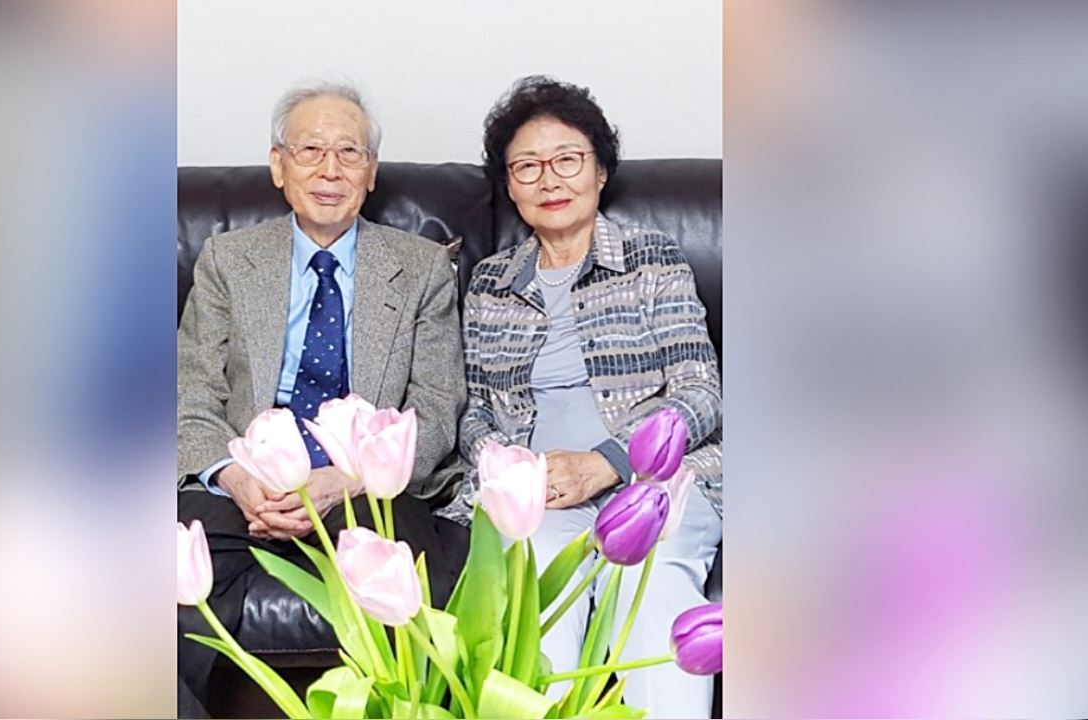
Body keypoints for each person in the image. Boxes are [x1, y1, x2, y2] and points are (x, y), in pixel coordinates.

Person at [435, 76, 723, 718]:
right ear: (510, 186)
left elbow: (702, 391)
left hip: (654, 481)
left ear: (600, 171)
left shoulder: (652, 258)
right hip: (538, 495)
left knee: (647, 580)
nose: (549, 180)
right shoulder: (490, 282)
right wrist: (517, 473)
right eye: (527, 166)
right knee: (532, 587)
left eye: (567, 159)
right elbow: (473, 409)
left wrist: (609, 462)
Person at [176, 81, 467, 718]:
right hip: (243, 486)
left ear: (371, 172)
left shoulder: (421, 268)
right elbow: (189, 393)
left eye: (348, 153)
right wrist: (237, 478)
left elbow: (436, 408)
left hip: (361, 488)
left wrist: (346, 479)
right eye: (310, 150)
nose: (329, 170)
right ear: (278, 165)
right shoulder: (227, 260)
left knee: (419, 590)